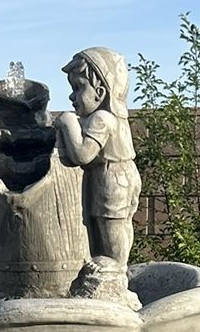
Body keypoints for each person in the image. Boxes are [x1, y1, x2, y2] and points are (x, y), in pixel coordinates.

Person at [54, 46, 141, 296]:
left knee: (111, 222)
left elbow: (82, 154)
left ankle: (115, 266)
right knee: (115, 223)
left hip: (113, 179)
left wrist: (67, 122)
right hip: (116, 174)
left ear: (100, 92)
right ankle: (113, 263)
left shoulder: (102, 118)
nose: (72, 97)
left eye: (78, 88)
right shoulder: (113, 118)